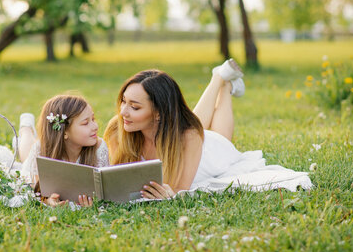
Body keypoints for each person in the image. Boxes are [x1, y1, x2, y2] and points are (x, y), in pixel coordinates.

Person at [104, 59, 266, 199]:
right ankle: (219, 79)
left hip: (209, 154)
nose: (123, 112)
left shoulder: (190, 138)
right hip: (177, 134)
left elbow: (180, 189)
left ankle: (224, 85)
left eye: (134, 107)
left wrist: (171, 194)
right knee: (188, 127)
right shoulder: (117, 129)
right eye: (123, 101)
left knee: (219, 136)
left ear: (159, 113)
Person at [19, 94, 109, 207]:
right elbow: (38, 190)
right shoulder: (41, 149)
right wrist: (48, 200)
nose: (95, 126)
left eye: (93, 119)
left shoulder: (99, 148)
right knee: (25, 156)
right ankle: (26, 128)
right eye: (86, 123)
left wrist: (93, 204)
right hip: (35, 151)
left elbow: (104, 192)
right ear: (64, 132)